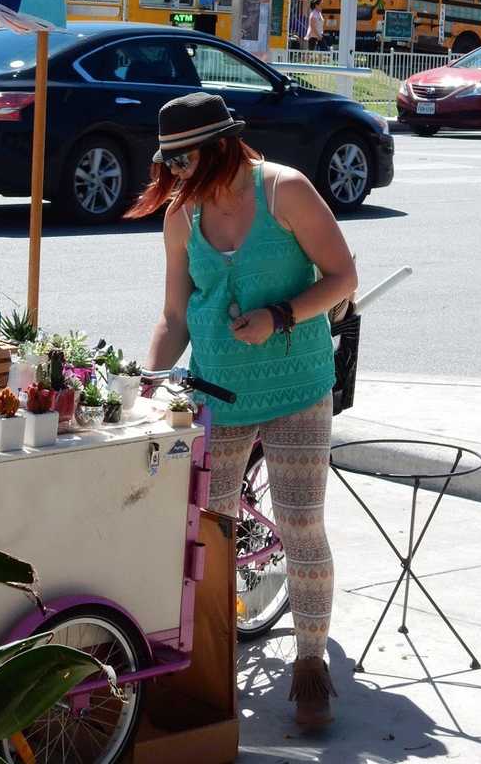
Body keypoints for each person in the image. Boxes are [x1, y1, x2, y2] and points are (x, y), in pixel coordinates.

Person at [127, 91, 357, 730]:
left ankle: (310, 663)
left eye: (184, 161)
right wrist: (149, 380)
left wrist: (281, 315)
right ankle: (203, 657)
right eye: (166, 163)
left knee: (301, 522)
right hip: (216, 393)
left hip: (296, 389)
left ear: (221, 146)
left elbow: (342, 276)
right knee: (205, 530)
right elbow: (175, 316)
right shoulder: (180, 215)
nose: (174, 174)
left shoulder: (286, 191)